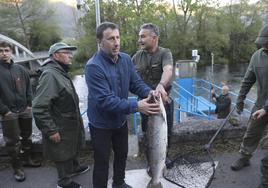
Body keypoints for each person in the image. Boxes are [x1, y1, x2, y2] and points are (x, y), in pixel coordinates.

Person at [85, 22, 160, 188]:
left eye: (118, 37)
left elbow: (136, 83)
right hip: (101, 124)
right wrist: (136, 106)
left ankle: (118, 183)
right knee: (102, 161)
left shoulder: (126, 59)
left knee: (121, 155)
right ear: (100, 42)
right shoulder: (93, 67)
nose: (116, 42)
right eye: (111, 39)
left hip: (120, 120)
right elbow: (105, 100)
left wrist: (149, 92)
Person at [32, 42, 89, 188]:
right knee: (62, 151)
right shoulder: (50, 75)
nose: (71, 55)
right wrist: (51, 130)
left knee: (71, 145)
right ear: (56, 55)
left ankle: (74, 167)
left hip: (68, 121)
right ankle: (64, 181)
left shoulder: (59, 71)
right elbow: (39, 107)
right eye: (66, 52)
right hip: (59, 124)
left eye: (71, 53)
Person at [230, 24, 268, 184]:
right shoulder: (257, 56)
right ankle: (244, 157)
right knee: (251, 133)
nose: (263, 45)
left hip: (265, 107)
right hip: (260, 105)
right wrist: (240, 99)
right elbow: (247, 80)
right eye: (262, 42)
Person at [131, 23, 173, 165]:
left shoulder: (165, 53)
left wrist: (161, 85)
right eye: (139, 37)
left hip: (163, 102)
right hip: (145, 104)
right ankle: (151, 161)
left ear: (154, 37)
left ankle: (164, 157)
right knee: (147, 134)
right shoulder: (136, 57)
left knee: (166, 132)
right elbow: (130, 78)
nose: (139, 40)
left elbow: (168, 70)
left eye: (143, 36)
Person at [0, 41, 41, 182]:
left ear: (11, 52)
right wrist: (4, 110)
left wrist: (29, 103)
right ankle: (17, 168)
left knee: (27, 136)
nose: (4, 53)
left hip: (25, 109)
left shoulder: (20, 69)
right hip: (8, 112)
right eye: (1, 51)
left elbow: (29, 86)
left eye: (6, 50)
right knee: (12, 142)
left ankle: (27, 159)